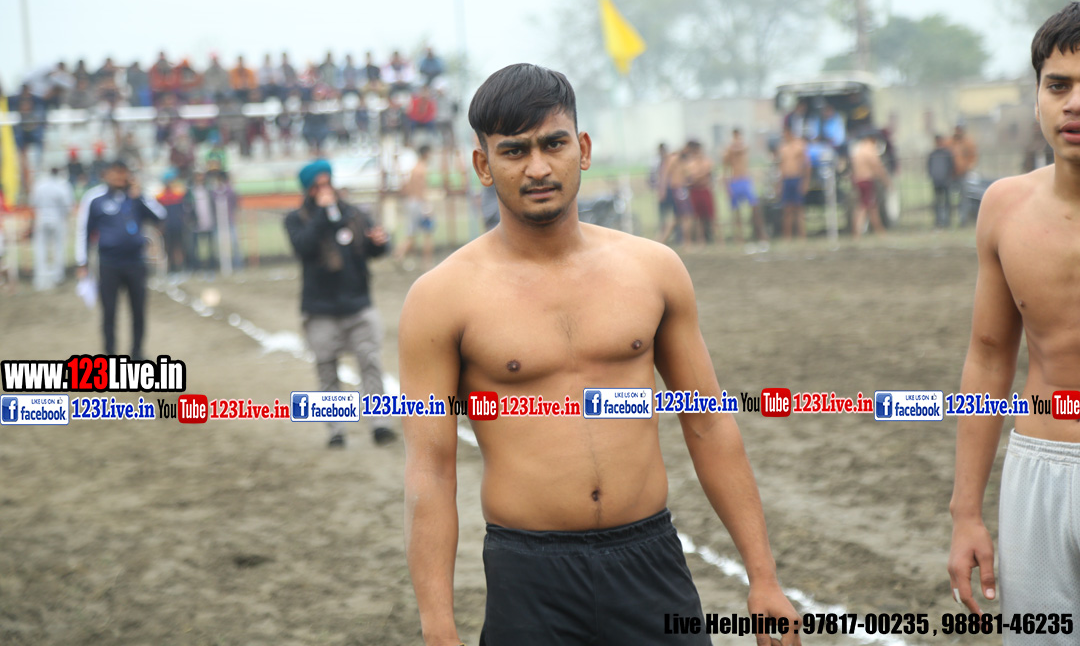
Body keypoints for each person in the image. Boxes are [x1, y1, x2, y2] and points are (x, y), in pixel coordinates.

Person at [401, 64, 800, 646]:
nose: (538, 168)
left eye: (553, 144)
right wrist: (438, 628)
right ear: (483, 165)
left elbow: (709, 424)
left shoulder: (653, 270)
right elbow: (431, 470)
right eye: (514, 151)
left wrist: (763, 579)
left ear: (582, 149)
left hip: (650, 563)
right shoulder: (441, 297)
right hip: (529, 576)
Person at [947, 1, 1080, 642]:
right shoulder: (1004, 206)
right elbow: (989, 357)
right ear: (1037, 97)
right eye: (1058, 85)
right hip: (1039, 470)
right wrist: (966, 512)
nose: (1074, 104)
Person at [284, 160, 396, 449]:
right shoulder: (297, 219)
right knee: (326, 368)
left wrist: (380, 242)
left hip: (358, 304)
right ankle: (336, 430)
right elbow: (304, 247)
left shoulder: (354, 213)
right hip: (320, 309)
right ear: (308, 190)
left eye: (327, 183)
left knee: (370, 362)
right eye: (317, 185)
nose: (325, 189)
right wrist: (323, 214)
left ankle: (380, 424)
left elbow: (372, 249)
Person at [75, 160, 165, 360]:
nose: (119, 177)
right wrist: (82, 262)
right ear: (106, 174)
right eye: (115, 172)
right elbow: (84, 231)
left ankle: (137, 352)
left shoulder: (136, 197)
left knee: (138, 310)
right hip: (109, 264)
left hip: (136, 263)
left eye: (123, 173)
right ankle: (110, 355)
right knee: (109, 312)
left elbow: (160, 216)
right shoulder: (95, 198)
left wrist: (141, 195)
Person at [29, 166, 75, 290]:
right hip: (57, 219)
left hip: (42, 218)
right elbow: (68, 205)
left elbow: (33, 202)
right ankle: (57, 276)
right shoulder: (63, 185)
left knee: (41, 248)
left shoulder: (40, 184)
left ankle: (41, 276)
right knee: (58, 248)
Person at [723, 128, 767, 250]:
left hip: (745, 180)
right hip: (734, 181)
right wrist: (727, 186)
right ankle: (739, 238)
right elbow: (725, 166)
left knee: (755, 207)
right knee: (736, 212)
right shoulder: (729, 150)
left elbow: (743, 148)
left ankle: (761, 235)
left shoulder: (741, 146)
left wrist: (734, 147)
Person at [395, 144, 436, 271]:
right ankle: (426, 262)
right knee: (426, 232)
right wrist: (426, 205)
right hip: (418, 203)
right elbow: (421, 189)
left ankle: (399, 255)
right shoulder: (421, 169)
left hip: (412, 202)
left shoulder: (414, 168)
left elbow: (408, 187)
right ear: (426, 154)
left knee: (413, 233)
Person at [849, 132, 892, 239]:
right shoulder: (869, 151)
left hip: (858, 180)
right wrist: (886, 181)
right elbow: (878, 167)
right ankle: (860, 233)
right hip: (866, 180)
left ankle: (878, 230)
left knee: (869, 206)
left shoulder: (858, 150)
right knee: (865, 207)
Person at [776, 126, 809, 240]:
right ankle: (787, 237)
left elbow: (806, 165)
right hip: (786, 180)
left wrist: (805, 182)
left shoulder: (800, 145)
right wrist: (779, 184)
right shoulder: (783, 148)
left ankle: (802, 236)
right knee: (787, 209)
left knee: (799, 209)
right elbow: (781, 166)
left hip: (797, 179)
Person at [951, 124, 979, 226]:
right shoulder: (951, 142)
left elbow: (973, 156)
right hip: (952, 174)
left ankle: (963, 219)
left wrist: (968, 167)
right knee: (950, 197)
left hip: (963, 174)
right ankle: (948, 220)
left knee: (964, 197)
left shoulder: (968, 142)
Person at [927, 134, 955, 229]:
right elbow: (929, 166)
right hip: (936, 182)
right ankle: (938, 221)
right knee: (937, 202)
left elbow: (951, 166)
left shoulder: (947, 153)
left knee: (947, 202)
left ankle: (947, 221)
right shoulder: (932, 154)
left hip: (946, 181)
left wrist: (948, 177)